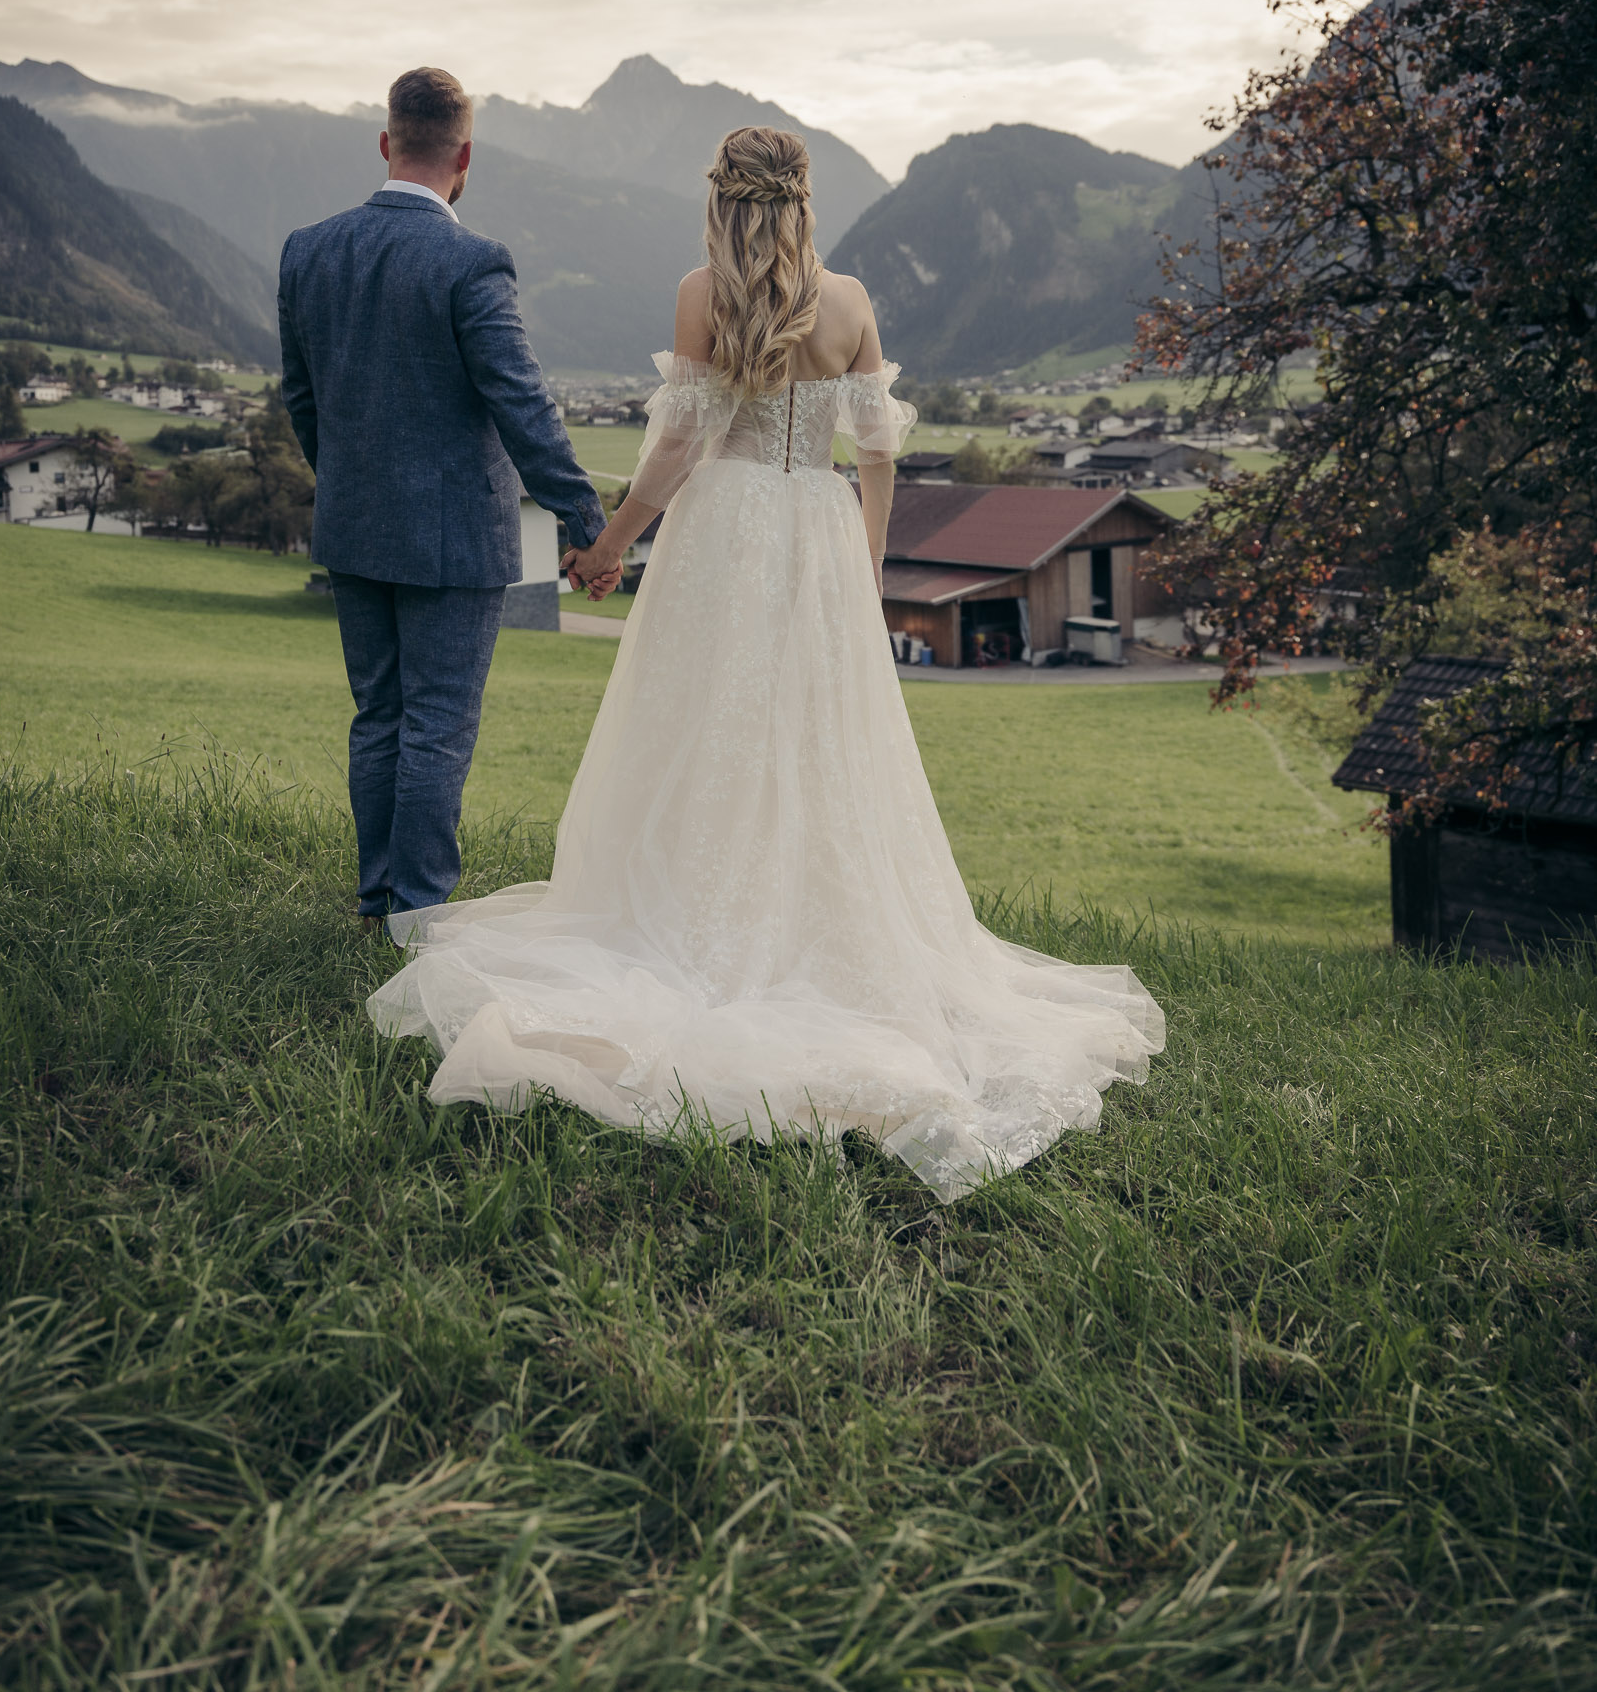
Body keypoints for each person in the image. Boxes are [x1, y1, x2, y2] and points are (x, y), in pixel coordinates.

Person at [368, 124, 1164, 1202]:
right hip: (812, 528)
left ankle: (695, 916)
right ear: (801, 201)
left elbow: (680, 446)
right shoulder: (848, 302)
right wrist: (860, 564)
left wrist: (610, 543)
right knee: (815, 740)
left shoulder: (702, 291)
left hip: (719, 531)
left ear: (721, 201)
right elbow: (876, 452)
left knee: (700, 728)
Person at [280, 66, 613, 938]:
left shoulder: (306, 249)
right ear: (464, 156)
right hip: (453, 537)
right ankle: (417, 922)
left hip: (352, 525)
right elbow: (522, 404)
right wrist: (586, 523)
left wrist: (347, 481)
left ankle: (373, 904)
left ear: (387, 143)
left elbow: (301, 398)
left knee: (379, 714)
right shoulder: (472, 261)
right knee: (435, 724)